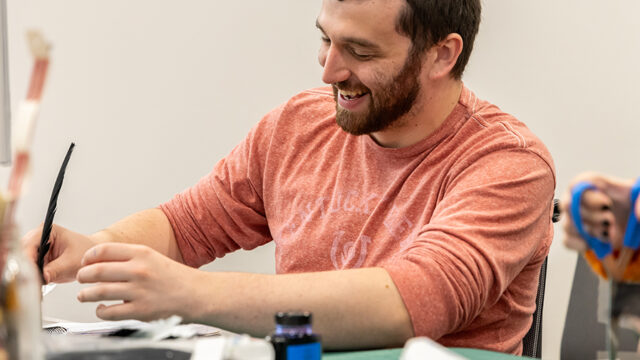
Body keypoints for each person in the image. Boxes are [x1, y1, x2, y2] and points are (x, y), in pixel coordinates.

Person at [23, 0, 555, 355]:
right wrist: (96, 247)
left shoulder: (509, 166)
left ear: (442, 54)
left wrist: (189, 292)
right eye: (326, 39)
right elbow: (188, 225)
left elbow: (410, 304)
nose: (328, 70)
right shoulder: (298, 126)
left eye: (360, 51)